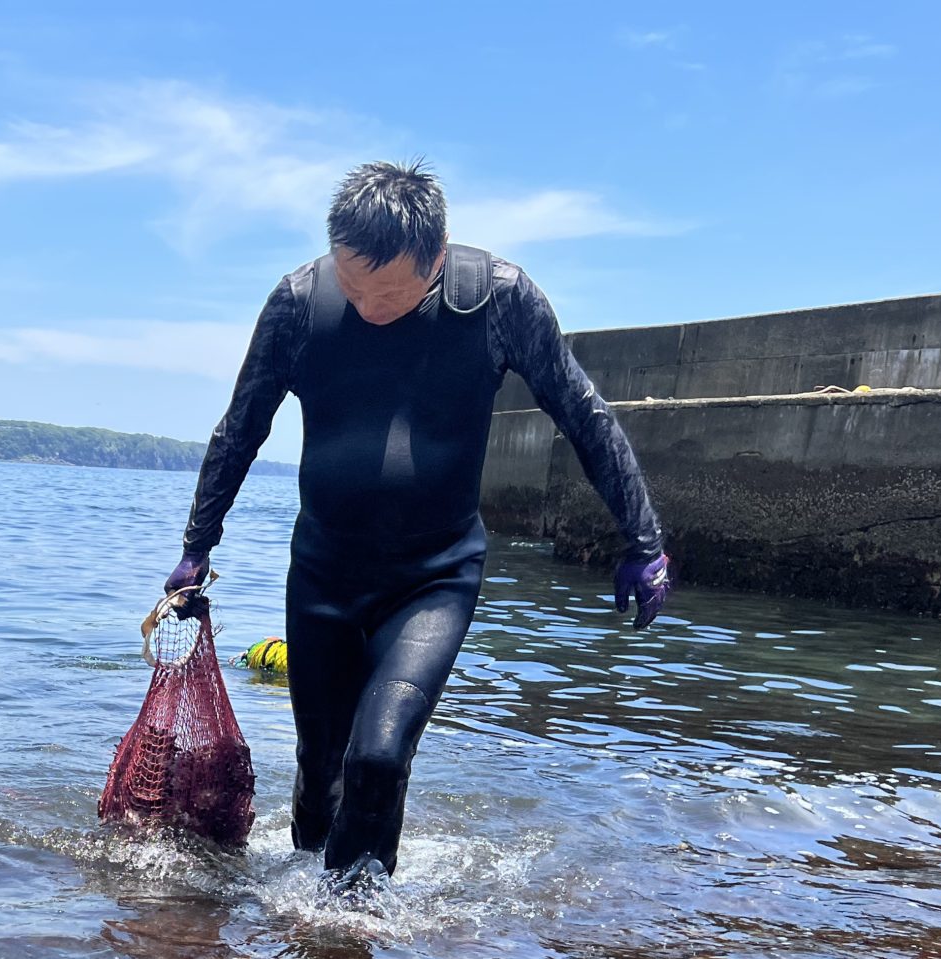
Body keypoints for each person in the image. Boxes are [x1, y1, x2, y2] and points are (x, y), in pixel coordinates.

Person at [167, 160, 671, 881]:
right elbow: (240, 428)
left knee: (378, 753)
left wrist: (644, 539)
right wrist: (197, 547)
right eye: (353, 283)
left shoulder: (497, 300)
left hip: (434, 576)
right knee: (319, 777)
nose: (367, 303)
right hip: (323, 574)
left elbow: (582, 414)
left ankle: (349, 936)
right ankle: (309, 951)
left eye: (389, 290)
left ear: (435, 260)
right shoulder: (299, 304)